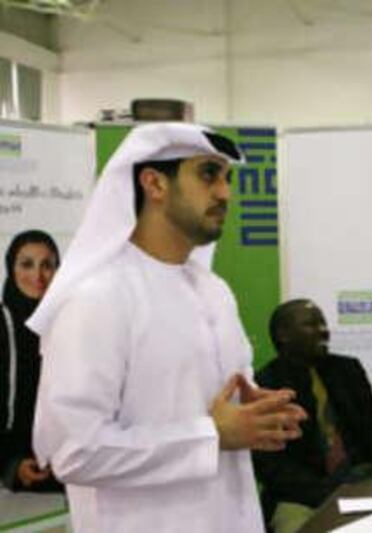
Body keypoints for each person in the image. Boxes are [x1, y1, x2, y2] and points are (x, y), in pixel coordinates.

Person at [29, 123, 307, 532]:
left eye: (227, 178)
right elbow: (74, 451)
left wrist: (256, 415)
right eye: (208, 174)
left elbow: (215, 413)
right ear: (154, 183)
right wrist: (210, 435)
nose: (225, 193)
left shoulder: (215, 292)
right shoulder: (97, 298)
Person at [253, 299, 372, 533]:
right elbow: (271, 468)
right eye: (311, 325)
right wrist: (330, 495)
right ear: (284, 335)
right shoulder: (265, 384)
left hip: (363, 483)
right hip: (300, 498)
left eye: (323, 324)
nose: (323, 331)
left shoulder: (348, 370)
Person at [0, 230, 61, 492]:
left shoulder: (68, 323)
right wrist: (10, 466)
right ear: (11, 269)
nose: (38, 276)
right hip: (14, 475)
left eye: (47, 265)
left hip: (67, 468)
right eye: (26, 264)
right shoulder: (2, 325)